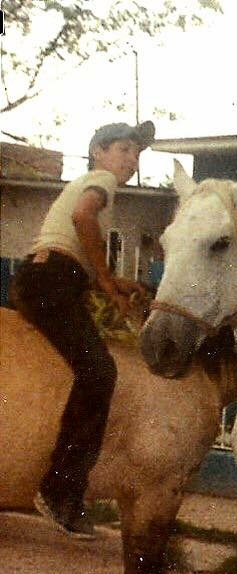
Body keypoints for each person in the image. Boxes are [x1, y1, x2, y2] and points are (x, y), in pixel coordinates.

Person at [10, 120, 155, 539]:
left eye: (137, 153)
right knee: (100, 373)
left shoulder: (92, 183)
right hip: (52, 280)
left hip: (49, 278)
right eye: (124, 149)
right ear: (98, 152)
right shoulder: (101, 181)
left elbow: (72, 243)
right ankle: (59, 490)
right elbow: (81, 217)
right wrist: (107, 279)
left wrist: (105, 281)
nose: (131, 159)